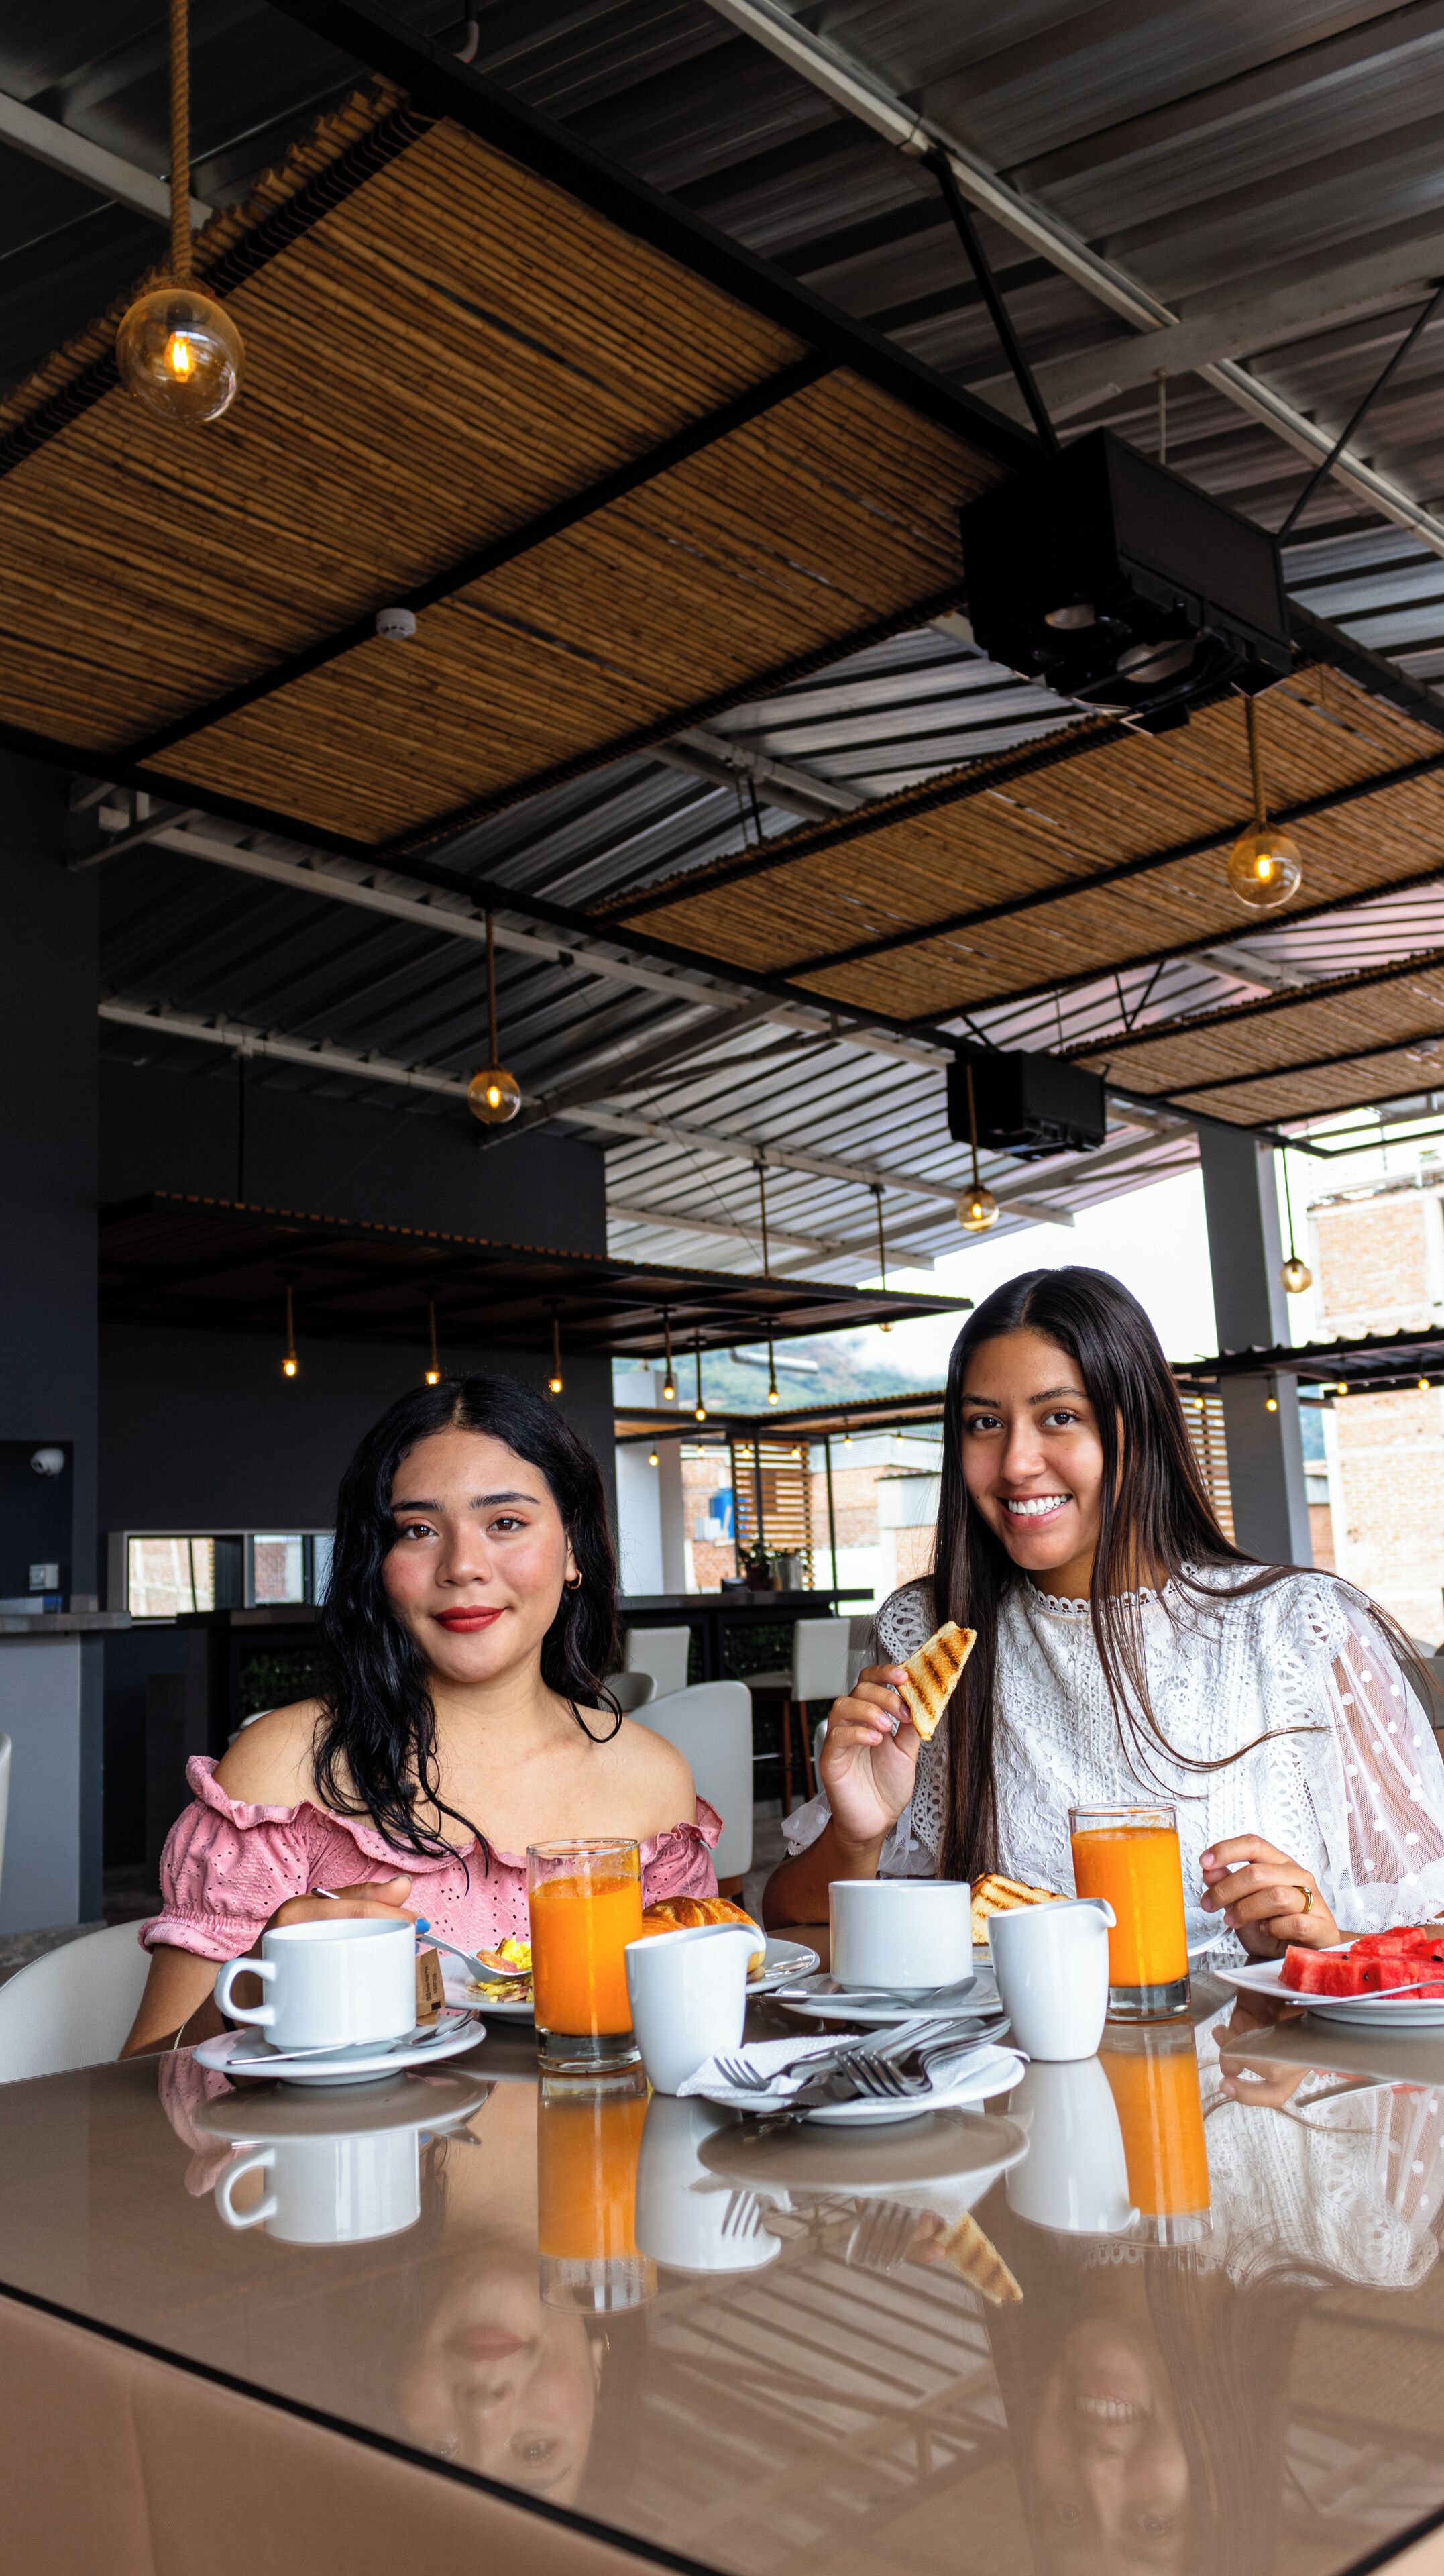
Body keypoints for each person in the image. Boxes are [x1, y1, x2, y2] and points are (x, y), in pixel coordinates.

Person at [763, 1265, 1444, 1949]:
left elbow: (1426, 1932)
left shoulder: (1300, 1626)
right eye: (984, 1423)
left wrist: (1321, 1943)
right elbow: (788, 1923)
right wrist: (860, 1830)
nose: (1015, 1463)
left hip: (1256, 2053)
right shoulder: (929, 1631)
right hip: (1009, 2057)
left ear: (1137, 1426)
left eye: (1059, 1417)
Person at [123, 1375, 718, 2054]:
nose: (462, 1565)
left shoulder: (650, 1779)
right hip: (352, 2160)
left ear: (574, 1548)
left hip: (601, 2150)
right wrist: (255, 1991)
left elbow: (690, 2040)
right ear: (377, 1563)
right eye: (417, 1530)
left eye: (505, 1523)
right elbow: (143, 2087)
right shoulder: (278, 1772)